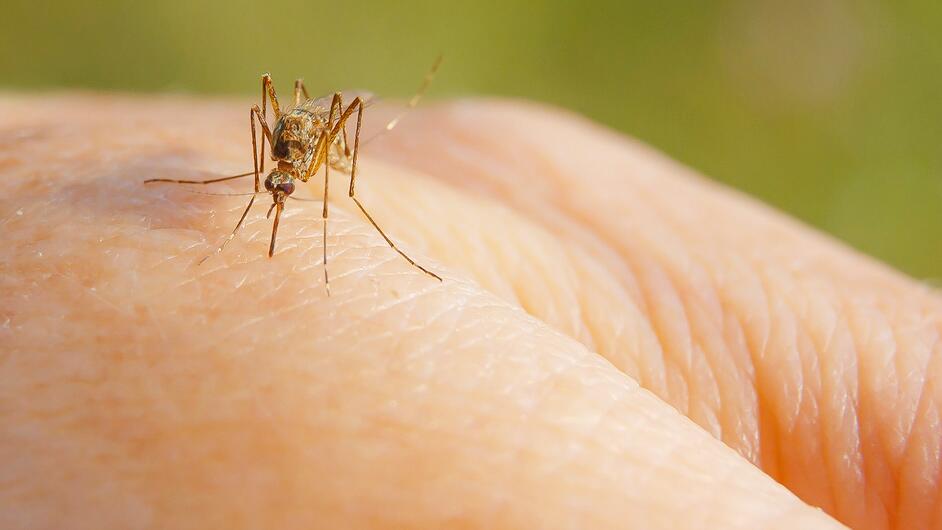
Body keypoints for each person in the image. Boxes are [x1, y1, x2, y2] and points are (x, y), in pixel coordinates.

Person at [2, 95, 937, 529]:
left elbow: (327, 120)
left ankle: (343, 200)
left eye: (282, 176)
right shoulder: (275, 145)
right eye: (281, 177)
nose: (285, 178)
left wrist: (340, 193)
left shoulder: (314, 142)